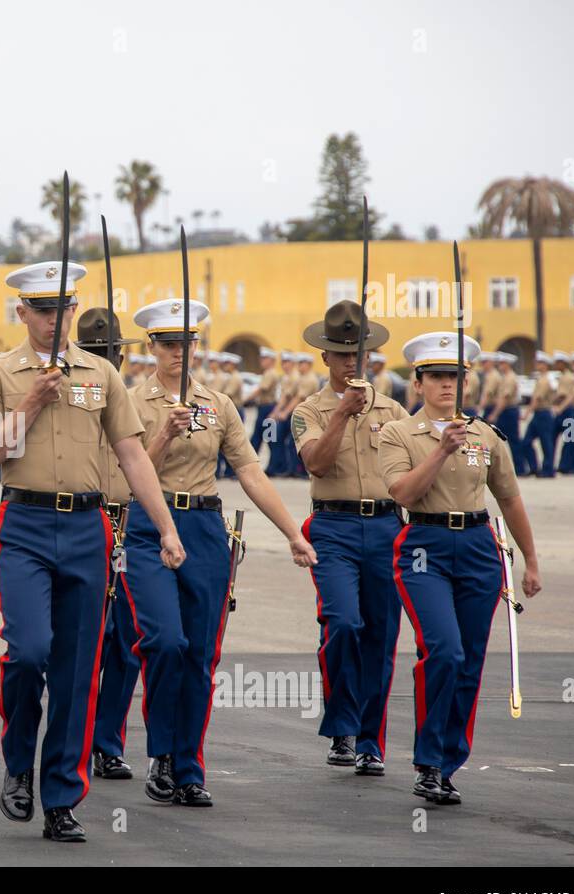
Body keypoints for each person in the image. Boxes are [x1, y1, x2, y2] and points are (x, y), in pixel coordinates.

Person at [0, 261, 185, 843]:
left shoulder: (101, 374)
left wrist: (165, 527)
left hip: (88, 527)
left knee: (76, 670)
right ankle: (20, 763)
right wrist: (31, 403)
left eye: (64, 308)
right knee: (28, 650)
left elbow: (134, 455)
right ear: (22, 312)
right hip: (25, 524)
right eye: (42, 309)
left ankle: (62, 794)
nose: (54, 319)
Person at [123, 297, 316, 809]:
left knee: (200, 654)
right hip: (149, 526)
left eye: (187, 343)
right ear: (151, 347)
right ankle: (160, 751)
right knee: (164, 640)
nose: (178, 352)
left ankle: (188, 766)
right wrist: (165, 431)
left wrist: (292, 531)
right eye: (168, 343)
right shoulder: (132, 402)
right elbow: (127, 475)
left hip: (206, 527)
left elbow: (250, 471)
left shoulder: (219, 404)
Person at [380, 331, 541, 805]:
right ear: (418, 383)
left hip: (477, 545)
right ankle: (427, 760)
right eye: (436, 377)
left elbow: (509, 499)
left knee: (469, 661)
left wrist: (531, 559)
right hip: (424, 546)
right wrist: (441, 449)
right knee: (444, 651)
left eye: (454, 377)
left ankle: (447, 763)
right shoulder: (399, 433)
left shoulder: (486, 434)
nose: (446, 385)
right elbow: (403, 494)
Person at [293, 301, 407, 774]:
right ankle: (341, 722)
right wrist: (342, 414)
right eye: (341, 354)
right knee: (343, 623)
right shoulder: (309, 410)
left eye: (358, 354)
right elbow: (316, 463)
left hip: (386, 526)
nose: (351, 363)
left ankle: (369, 740)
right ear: (325, 358)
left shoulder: (395, 410)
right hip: (334, 527)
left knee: (380, 636)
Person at [71, 307, 141, 780]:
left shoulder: (133, 403)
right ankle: (76, 736)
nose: (107, 360)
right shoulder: (70, 399)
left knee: (127, 640)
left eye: (112, 352)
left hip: (130, 525)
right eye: (97, 353)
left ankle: (108, 741)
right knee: (85, 642)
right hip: (85, 522)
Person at [522, 351, 558, 478]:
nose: (536, 364)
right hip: (538, 414)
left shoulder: (545, 380)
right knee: (526, 441)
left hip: (543, 414)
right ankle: (534, 467)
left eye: (539, 362)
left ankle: (548, 469)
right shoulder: (541, 379)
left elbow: (537, 399)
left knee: (546, 442)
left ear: (545, 365)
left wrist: (526, 413)